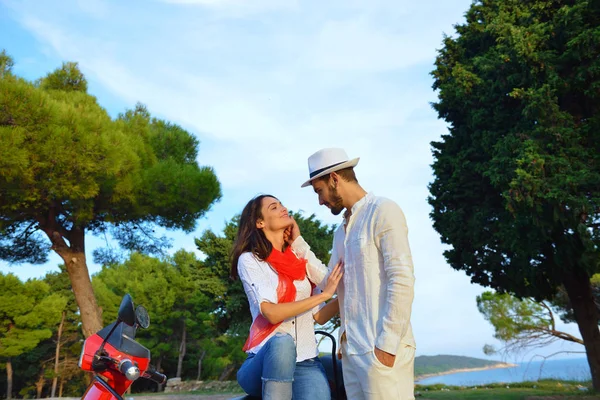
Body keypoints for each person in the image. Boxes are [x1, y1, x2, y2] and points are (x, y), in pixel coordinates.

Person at [293, 147, 416, 400]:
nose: (320, 201)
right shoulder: (341, 231)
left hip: (380, 350)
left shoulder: (383, 210)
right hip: (351, 352)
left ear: (335, 179)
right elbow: (331, 282)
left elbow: (401, 279)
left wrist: (387, 345)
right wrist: (298, 243)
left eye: (319, 191)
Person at [231, 194, 343, 400]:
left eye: (282, 204)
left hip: (305, 362)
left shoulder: (298, 260)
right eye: (274, 207)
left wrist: (345, 295)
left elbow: (320, 313)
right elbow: (272, 314)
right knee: (283, 342)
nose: (283, 208)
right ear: (260, 222)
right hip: (264, 361)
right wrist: (324, 296)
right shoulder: (250, 261)